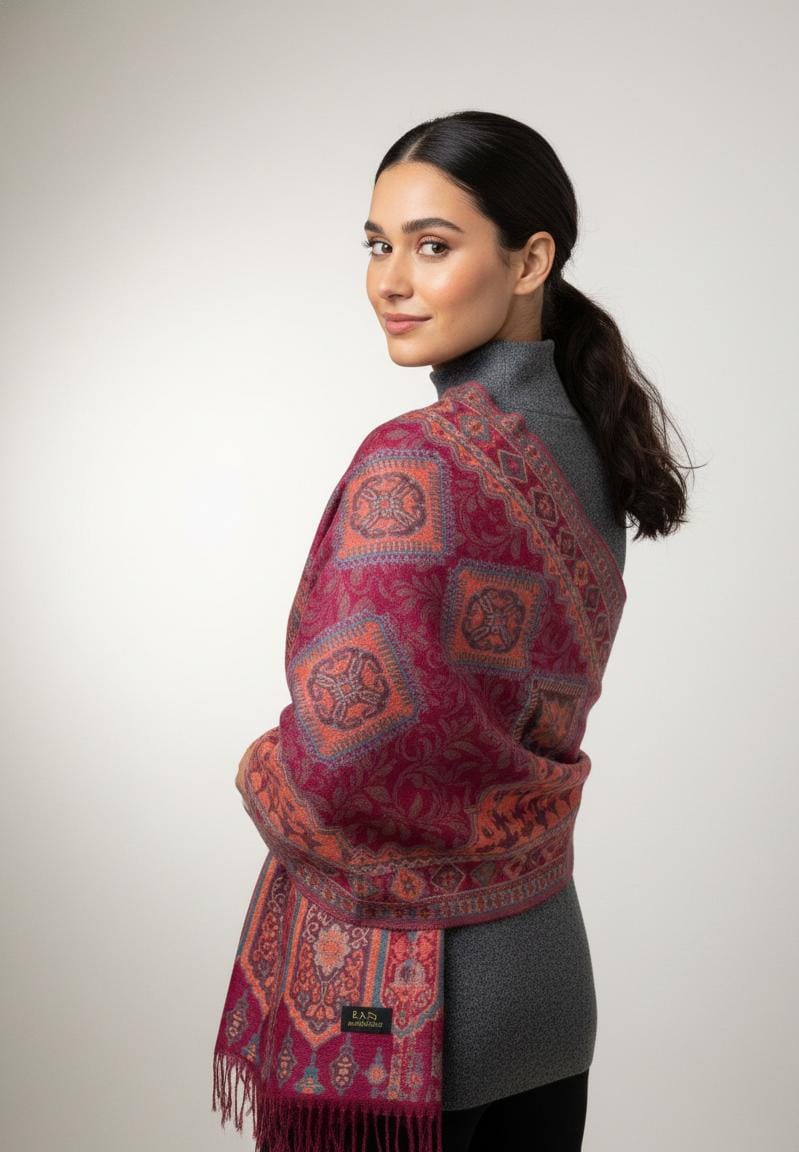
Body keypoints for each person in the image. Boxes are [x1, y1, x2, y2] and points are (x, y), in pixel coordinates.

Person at [215, 109, 695, 1152]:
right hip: (545, 981)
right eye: (377, 245)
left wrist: (258, 769)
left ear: (530, 260)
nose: (390, 280)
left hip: (409, 1011)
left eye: (432, 247)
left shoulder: (418, 457)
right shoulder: (586, 445)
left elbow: (343, 762)